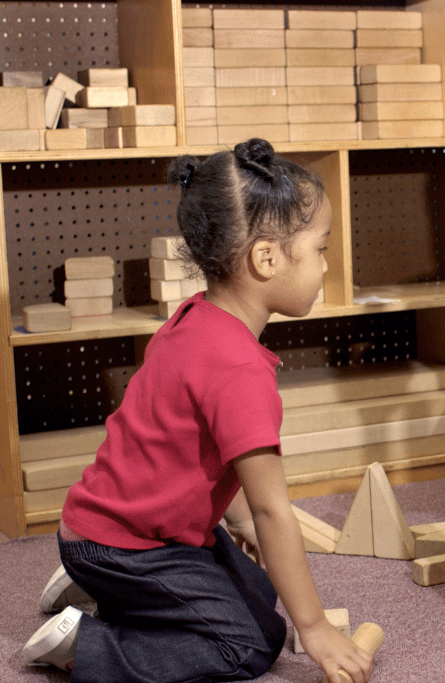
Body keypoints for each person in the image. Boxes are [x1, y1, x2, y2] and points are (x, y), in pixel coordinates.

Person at [22, 139, 374, 683]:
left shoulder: (196, 316)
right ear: (266, 258)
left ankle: (96, 588)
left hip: (117, 530)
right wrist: (317, 626)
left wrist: (231, 519)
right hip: (124, 544)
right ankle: (84, 645)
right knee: (249, 648)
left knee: (262, 610)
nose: (328, 265)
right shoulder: (239, 371)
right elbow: (272, 511)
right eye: (322, 248)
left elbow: (186, 449)